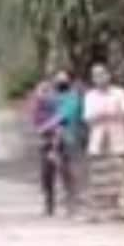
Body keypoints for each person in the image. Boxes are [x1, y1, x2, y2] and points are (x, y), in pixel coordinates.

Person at [81, 63, 124, 215]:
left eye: (102, 74)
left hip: (116, 136)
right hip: (98, 137)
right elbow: (88, 117)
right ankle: (98, 206)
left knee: (118, 169)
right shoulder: (90, 95)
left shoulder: (119, 93)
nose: (100, 78)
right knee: (98, 171)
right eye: (96, 75)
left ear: (109, 75)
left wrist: (108, 114)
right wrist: (103, 114)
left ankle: (120, 204)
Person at [30, 75, 75, 216]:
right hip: (46, 141)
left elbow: (64, 119)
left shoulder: (58, 103)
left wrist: (57, 130)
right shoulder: (36, 107)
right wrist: (45, 131)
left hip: (61, 139)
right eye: (41, 91)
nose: (44, 93)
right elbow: (36, 124)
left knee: (65, 171)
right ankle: (49, 204)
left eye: (47, 90)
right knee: (47, 174)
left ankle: (70, 204)